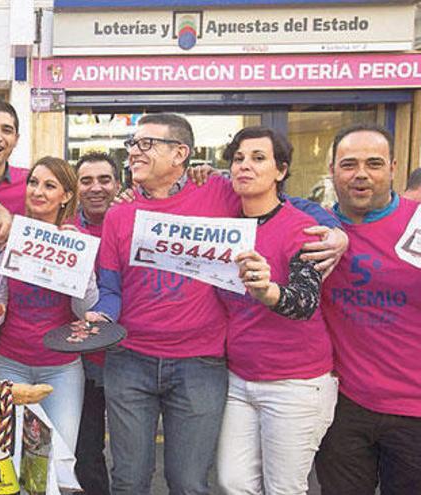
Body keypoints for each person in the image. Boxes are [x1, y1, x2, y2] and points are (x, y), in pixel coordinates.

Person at [87, 113, 347, 495]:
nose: (134, 153)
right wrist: (101, 315)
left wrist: (339, 234)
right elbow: (111, 289)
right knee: (129, 480)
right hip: (130, 361)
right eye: (132, 144)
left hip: (200, 363)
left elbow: (281, 205)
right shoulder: (119, 214)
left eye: (146, 144)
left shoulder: (219, 192)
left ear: (180, 154)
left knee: (190, 482)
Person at [214, 127, 337, 494]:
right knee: (232, 482)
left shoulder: (301, 228)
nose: (244, 167)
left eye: (258, 158)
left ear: (280, 171)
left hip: (294, 383)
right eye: (238, 159)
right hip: (241, 379)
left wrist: (268, 292)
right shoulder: (225, 228)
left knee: (284, 488)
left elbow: (305, 299)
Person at [315, 124, 421, 495]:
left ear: (393, 168)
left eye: (373, 164)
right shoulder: (313, 229)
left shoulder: (418, 224)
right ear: (332, 170)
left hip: (414, 409)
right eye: (348, 164)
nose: (361, 174)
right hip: (342, 407)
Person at [0, 156, 98, 454]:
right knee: (7, 456)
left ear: (65, 196)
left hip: (61, 369)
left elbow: (84, 310)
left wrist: (82, 264)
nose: (38, 191)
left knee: (59, 458)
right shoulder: (11, 233)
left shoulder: (77, 240)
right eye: (33, 183)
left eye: (49, 186)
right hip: (10, 362)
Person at [73, 151, 121, 495]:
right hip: (84, 361)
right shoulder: (66, 229)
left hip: (132, 357)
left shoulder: (135, 220)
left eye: (104, 180)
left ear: (118, 184)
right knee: (86, 451)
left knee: (131, 456)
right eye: (86, 180)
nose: (96, 188)